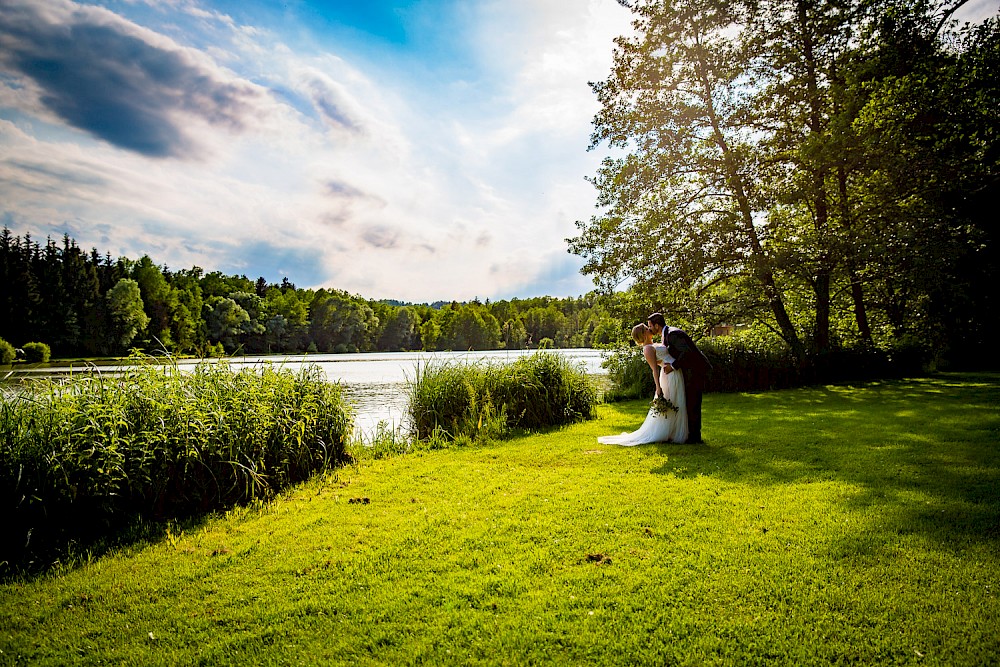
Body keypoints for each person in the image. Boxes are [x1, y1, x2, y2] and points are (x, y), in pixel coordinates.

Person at [598, 323, 688, 446]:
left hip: (673, 372)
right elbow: (654, 370)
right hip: (668, 376)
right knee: (671, 401)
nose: (649, 329)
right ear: (643, 334)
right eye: (647, 328)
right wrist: (658, 387)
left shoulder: (652, 344)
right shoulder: (648, 349)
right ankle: (667, 432)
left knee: (676, 401)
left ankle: (673, 432)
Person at [646, 313, 711, 444]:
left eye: (650, 326)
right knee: (688, 401)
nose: (649, 329)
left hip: (695, 370)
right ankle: (690, 435)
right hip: (687, 372)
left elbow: (686, 352)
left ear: (657, 325)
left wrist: (673, 366)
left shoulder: (673, 334)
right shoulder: (667, 335)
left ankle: (694, 438)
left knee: (693, 402)